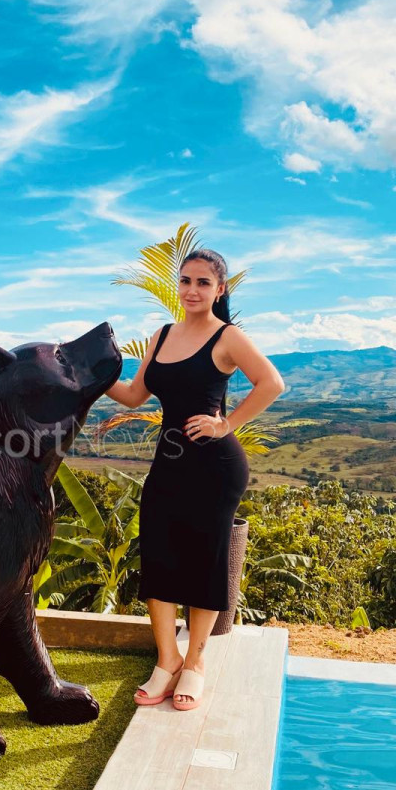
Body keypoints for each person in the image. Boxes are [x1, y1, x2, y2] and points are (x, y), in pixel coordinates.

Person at [104, 247, 285, 709]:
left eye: (203, 282)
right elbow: (134, 395)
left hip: (214, 467)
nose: (192, 290)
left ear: (219, 289)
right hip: (169, 463)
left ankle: (196, 663)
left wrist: (226, 424)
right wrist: (93, 377)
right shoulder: (162, 336)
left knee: (205, 560)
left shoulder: (228, 337)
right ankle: (167, 661)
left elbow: (272, 383)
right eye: (186, 280)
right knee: (159, 555)